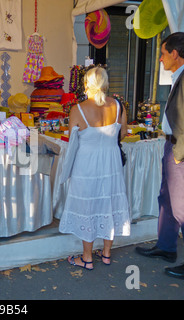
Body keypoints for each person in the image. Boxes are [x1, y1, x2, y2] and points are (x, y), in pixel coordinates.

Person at [59, 66, 131, 270]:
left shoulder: (78, 109)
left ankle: (87, 257)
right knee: (109, 200)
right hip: (111, 162)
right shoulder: (118, 105)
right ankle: (106, 254)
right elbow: (123, 134)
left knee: (88, 206)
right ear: (106, 83)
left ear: (86, 84)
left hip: (87, 164)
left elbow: (72, 139)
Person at [136, 32, 184, 279]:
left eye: (163, 53)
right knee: (165, 198)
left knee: (181, 208)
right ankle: (166, 247)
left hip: (179, 150)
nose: (161, 60)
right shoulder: (178, 76)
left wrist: (178, 154)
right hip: (171, 146)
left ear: (175, 54)